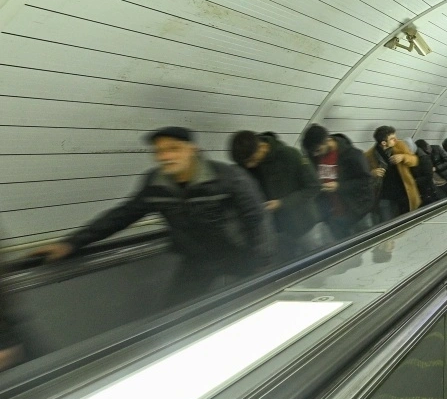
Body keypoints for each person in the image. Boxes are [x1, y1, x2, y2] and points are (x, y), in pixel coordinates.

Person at [31, 127, 272, 309]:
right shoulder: (156, 184)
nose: (165, 156)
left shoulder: (228, 178)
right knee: (175, 314)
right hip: (196, 259)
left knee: (252, 306)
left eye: (173, 148)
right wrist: (71, 243)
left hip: (239, 254)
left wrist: (260, 260)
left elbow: (255, 217)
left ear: (193, 150)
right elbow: (122, 215)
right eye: (159, 151)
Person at [230, 130, 321, 262]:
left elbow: (314, 187)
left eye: (252, 160)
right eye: (246, 163)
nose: (250, 165)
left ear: (263, 147)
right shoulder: (249, 167)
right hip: (279, 232)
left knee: (319, 263)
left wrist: (282, 203)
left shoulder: (290, 155)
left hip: (305, 226)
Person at [301, 125, 373, 240]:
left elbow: (366, 181)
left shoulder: (353, 155)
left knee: (366, 247)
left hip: (357, 213)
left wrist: (339, 186)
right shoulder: (315, 157)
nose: (315, 154)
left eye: (318, 150)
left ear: (327, 141)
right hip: (333, 217)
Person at [365, 126, 421, 222]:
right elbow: (364, 173)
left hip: (403, 191)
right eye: (392, 139)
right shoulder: (370, 155)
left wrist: (403, 157)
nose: (396, 140)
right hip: (384, 194)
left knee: (407, 219)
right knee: (388, 222)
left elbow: (414, 160)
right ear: (383, 143)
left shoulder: (400, 146)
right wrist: (372, 173)